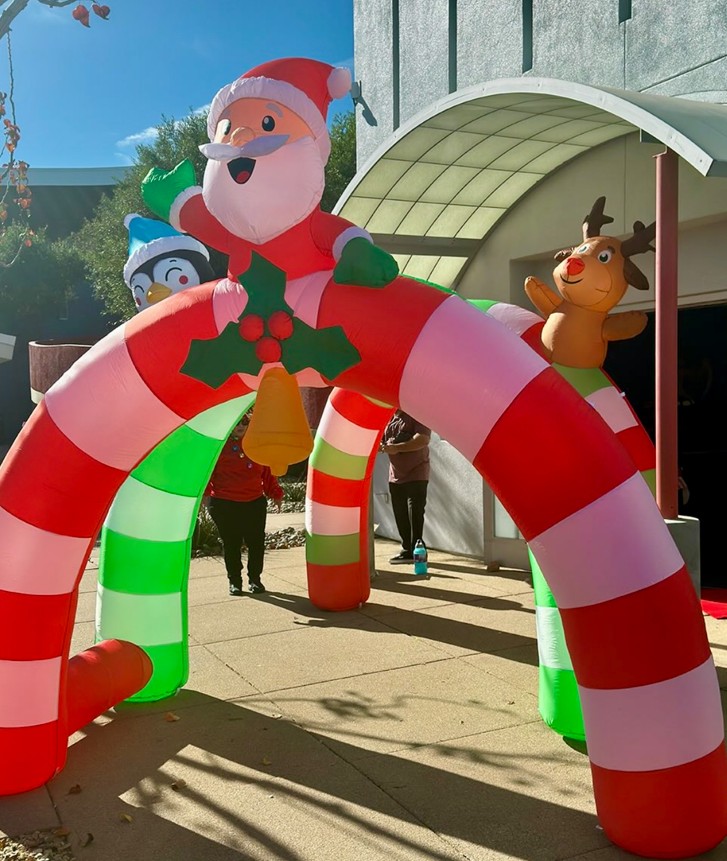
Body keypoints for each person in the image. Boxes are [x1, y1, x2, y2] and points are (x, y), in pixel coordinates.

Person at [204, 413, 284, 595]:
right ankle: (234, 581)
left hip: (254, 502)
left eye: (245, 421)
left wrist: (275, 493)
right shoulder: (218, 446)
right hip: (224, 503)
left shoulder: (257, 445)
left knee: (256, 543)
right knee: (231, 543)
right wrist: (205, 495)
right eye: (237, 421)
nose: (241, 425)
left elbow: (267, 473)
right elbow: (208, 472)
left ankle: (255, 579)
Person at [380, 410, 431, 564]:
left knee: (415, 513)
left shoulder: (417, 414)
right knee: (400, 513)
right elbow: (381, 440)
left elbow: (423, 439)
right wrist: (381, 446)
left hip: (417, 472)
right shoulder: (389, 419)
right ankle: (407, 549)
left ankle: (418, 549)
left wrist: (398, 448)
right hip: (395, 475)